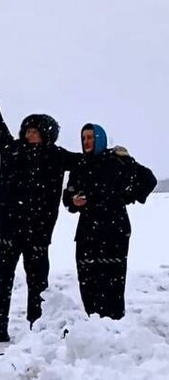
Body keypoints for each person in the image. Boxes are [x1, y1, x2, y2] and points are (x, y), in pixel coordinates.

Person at [0, 66, 78, 343]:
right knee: (0, 278)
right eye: (28, 129)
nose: (29, 134)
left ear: (47, 134)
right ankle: (0, 325)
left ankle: (38, 327)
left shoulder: (56, 156)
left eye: (35, 131)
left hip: (38, 230)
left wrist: (112, 155)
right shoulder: (12, 151)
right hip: (9, 228)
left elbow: (87, 162)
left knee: (38, 282)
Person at [63, 124, 156, 320]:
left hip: (114, 230)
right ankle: (94, 326)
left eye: (90, 137)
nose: (87, 142)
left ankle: (114, 328)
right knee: (88, 281)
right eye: (84, 138)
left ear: (100, 139)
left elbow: (148, 180)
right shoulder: (80, 166)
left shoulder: (116, 162)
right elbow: (68, 196)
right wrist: (73, 201)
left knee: (112, 281)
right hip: (87, 231)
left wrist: (127, 193)